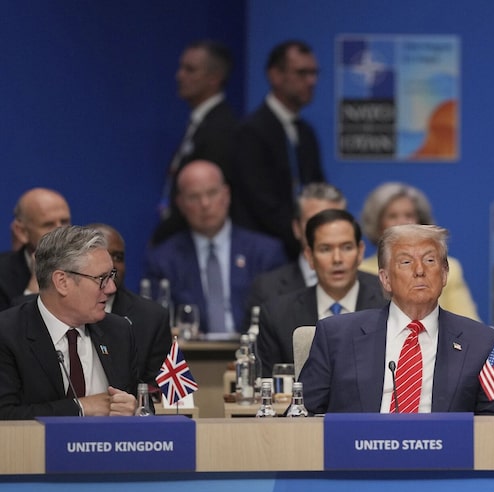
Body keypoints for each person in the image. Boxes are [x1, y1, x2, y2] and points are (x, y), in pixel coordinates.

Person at [300, 224, 494, 415]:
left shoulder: (488, 342)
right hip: (360, 454)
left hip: (446, 456)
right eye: (406, 262)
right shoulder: (335, 335)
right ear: (385, 279)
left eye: (430, 260)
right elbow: (303, 412)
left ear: (445, 274)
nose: (419, 270)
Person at [0, 225, 139, 419]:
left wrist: (135, 409)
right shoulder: (8, 334)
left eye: (111, 276)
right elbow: (5, 415)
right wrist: (81, 407)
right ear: (62, 282)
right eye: (102, 278)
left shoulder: (119, 331)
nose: (111, 288)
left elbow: (144, 405)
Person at [144, 160, 287, 335]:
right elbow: (155, 323)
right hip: (192, 357)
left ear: (226, 195)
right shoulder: (163, 259)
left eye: (212, 193)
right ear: (180, 204)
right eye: (194, 197)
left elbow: (280, 316)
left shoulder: (265, 252)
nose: (205, 204)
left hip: (252, 352)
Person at [256, 209, 385, 377]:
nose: (337, 259)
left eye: (346, 247)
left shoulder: (386, 308)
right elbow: (270, 390)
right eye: (325, 249)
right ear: (310, 256)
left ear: (360, 252)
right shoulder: (278, 316)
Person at [230, 40, 325, 258]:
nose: (312, 81)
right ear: (275, 75)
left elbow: (318, 190)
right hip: (263, 254)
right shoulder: (250, 132)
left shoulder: (305, 132)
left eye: (314, 73)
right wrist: (305, 236)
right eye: (302, 73)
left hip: (303, 249)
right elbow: (261, 203)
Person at [152, 40, 238, 246]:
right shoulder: (200, 123)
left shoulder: (221, 129)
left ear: (214, 78)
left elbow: (204, 196)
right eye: (181, 68)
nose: (179, 76)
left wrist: (163, 237)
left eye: (190, 70)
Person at [360, 182, 479, 320]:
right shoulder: (361, 272)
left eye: (409, 215)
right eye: (393, 216)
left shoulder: (447, 268)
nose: (402, 222)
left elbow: (468, 324)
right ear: (378, 224)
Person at [246, 182, 356, 313]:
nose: (327, 231)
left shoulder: (376, 288)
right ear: (296, 228)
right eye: (315, 222)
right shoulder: (267, 289)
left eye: (334, 221)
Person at [87, 223, 171, 384]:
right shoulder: (66, 311)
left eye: (118, 257)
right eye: (101, 256)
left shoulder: (152, 318)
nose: (111, 265)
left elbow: (158, 389)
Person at [0, 188, 71, 311]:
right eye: (48, 225)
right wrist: (35, 284)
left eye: (64, 222)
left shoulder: (88, 266)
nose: (60, 231)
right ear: (22, 232)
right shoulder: (3, 275)